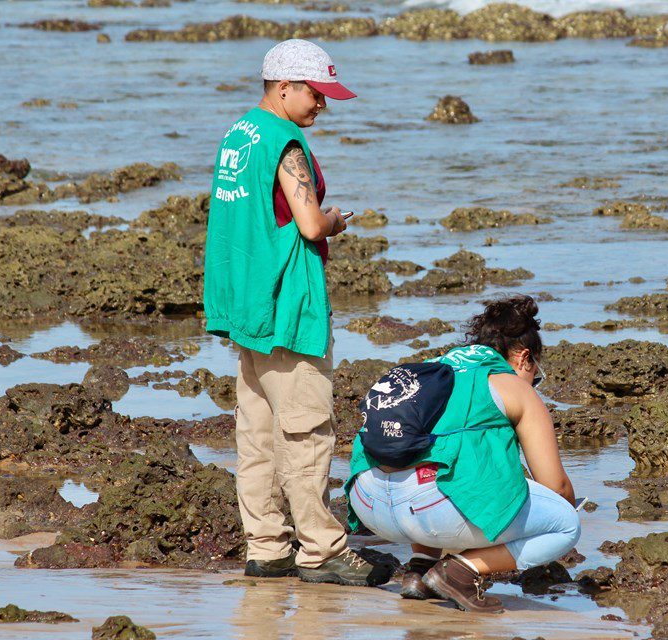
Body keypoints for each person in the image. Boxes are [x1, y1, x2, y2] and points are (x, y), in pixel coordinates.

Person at [203, 39, 391, 587]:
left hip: (246, 302)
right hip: (288, 303)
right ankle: (322, 550)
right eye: (316, 94)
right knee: (305, 429)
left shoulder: (238, 134)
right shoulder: (286, 142)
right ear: (283, 87)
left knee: (255, 433)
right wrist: (335, 219)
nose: (322, 106)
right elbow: (308, 224)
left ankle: (267, 546)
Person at [344, 295, 581, 613]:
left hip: (369, 505)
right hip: (427, 510)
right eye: (535, 375)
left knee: (438, 461)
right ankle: (458, 573)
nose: (533, 384)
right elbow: (557, 486)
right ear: (524, 358)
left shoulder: (433, 372)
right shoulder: (512, 385)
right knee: (565, 524)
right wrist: (547, 526)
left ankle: (419, 569)